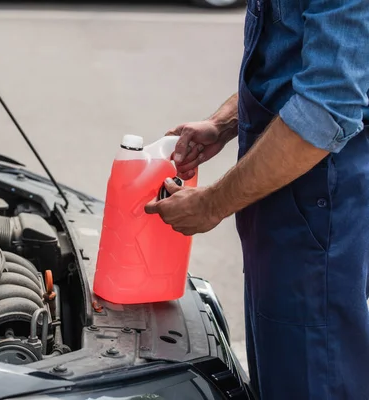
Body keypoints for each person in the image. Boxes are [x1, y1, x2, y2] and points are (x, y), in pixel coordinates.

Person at [143, 0, 369, 399]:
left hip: (318, 203)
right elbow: (291, 60)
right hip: (282, 201)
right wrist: (224, 123)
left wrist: (211, 204)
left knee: (312, 378)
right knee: (279, 370)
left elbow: (327, 108)